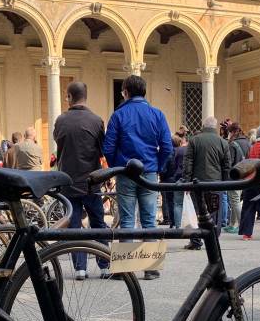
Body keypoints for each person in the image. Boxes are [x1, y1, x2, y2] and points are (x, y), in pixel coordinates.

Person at [102, 74, 173, 279]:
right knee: (149, 220)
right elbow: (167, 146)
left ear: (125, 92)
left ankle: (125, 269)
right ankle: (151, 268)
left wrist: (117, 167)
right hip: (149, 172)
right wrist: (157, 166)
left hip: (126, 173)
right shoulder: (157, 114)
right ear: (144, 92)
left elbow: (108, 147)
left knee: (126, 221)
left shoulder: (118, 115)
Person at [53, 81, 110, 280]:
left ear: (69, 96)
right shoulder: (96, 120)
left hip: (68, 181)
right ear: (86, 96)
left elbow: (58, 144)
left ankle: (80, 268)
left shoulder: (61, 120)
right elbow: (103, 149)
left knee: (74, 225)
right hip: (92, 181)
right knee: (98, 223)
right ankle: (104, 265)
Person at [183, 117, 232, 250]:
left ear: (203, 125)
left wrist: (186, 181)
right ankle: (213, 241)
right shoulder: (222, 142)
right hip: (216, 184)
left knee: (197, 212)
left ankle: (196, 240)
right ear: (215, 127)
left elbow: (188, 162)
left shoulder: (194, 140)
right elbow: (227, 165)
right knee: (214, 213)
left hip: (197, 183)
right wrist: (226, 183)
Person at [225, 123, 250, 233]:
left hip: (234, 176)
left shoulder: (232, 144)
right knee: (236, 201)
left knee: (234, 201)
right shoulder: (247, 142)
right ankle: (232, 224)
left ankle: (243, 225)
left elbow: (229, 162)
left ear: (233, 132)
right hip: (245, 175)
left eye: (229, 132)